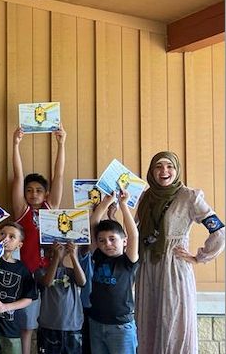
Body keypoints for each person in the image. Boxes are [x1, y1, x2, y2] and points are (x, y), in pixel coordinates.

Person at [134, 151, 225, 353]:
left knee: (172, 326)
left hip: (173, 270)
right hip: (147, 269)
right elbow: (135, 230)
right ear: (151, 171)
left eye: (169, 166)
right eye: (158, 166)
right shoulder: (145, 197)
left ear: (177, 170)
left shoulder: (190, 197)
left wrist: (199, 257)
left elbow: (219, 232)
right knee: (146, 326)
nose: (164, 171)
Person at [11, 125, 67, 354]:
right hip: (29, 273)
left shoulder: (50, 207)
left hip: (52, 270)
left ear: (45, 194)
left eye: (39, 190)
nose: (33, 193)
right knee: (27, 325)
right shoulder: (22, 211)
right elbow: (17, 176)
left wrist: (61, 144)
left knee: (52, 320)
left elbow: (59, 175)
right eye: (29, 190)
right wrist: (16, 144)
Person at [87, 189, 138, 354]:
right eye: (101, 241)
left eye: (112, 239)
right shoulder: (99, 256)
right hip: (96, 322)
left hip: (120, 326)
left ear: (124, 241)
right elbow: (93, 224)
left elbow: (134, 234)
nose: (107, 244)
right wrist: (106, 202)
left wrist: (123, 205)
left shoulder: (128, 261)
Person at [0, 222, 36, 354]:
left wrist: (6, 307)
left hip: (12, 331)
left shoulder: (23, 269)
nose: (5, 238)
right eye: (2, 234)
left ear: (19, 245)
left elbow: (29, 298)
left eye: (11, 237)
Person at [35, 243, 87, 354]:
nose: (55, 253)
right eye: (50, 251)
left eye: (60, 249)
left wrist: (73, 256)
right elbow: (47, 282)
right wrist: (56, 257)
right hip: (49, 327)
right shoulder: (40, 272)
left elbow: (82, 282)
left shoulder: (71, 272)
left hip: (73, 327)